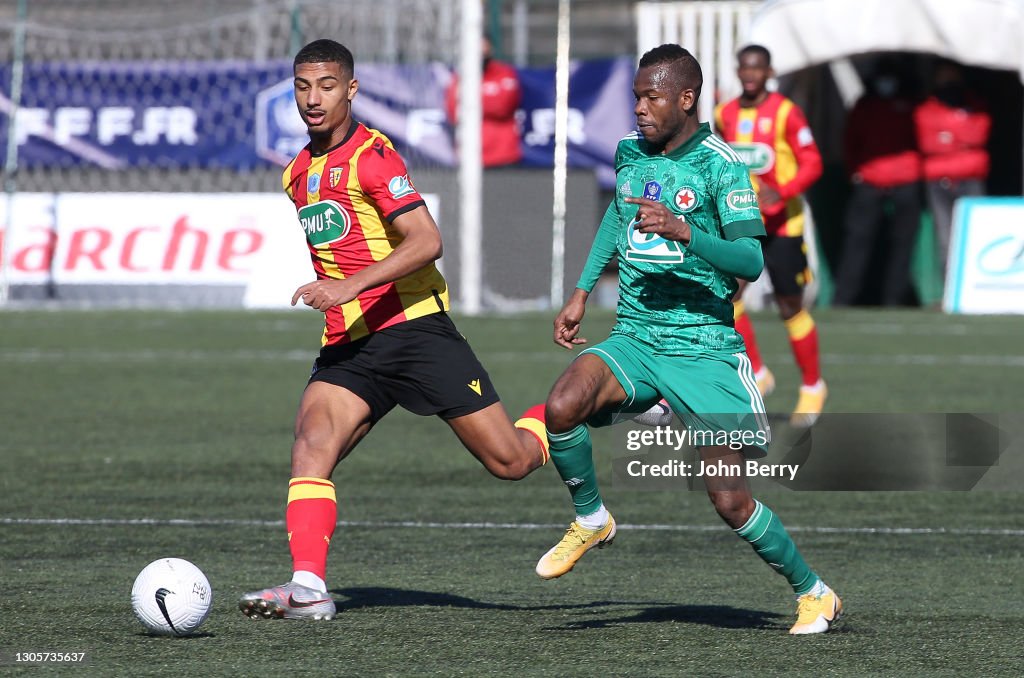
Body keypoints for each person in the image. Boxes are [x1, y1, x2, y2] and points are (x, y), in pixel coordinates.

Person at [535, 44, 842, 635]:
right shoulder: (631, 152)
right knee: (562, 403)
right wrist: (580, 290)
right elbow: (615, 218)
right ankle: (592, 517)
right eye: (636, 97)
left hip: (703, 347)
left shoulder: (721, 165)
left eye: (652, 97)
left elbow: (750, 260)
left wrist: (684, 230)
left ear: (686, 98)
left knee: (729, 499)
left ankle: (813, 592)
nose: (640, 108)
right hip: (636, 335)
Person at [238, 39, 549, 621]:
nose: (313, 98)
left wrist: (349, 286)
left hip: (414, 330)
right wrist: (342, 299)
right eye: (304, 86)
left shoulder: (373, 157)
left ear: (351, 90)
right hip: (351, 345)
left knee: (512, 461)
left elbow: (427, 241)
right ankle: (308, 588)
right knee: (311, 448)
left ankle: (570, 408)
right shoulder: (297, 172)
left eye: (327, 85)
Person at [714, 44, 826, 427]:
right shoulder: (724, 114)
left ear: (769, 71)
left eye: (757, 68)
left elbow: (813, 162)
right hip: (743, 222)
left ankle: (813, 385)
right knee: (730, 296)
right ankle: (758, 373)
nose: (749, 75)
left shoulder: (786, 113)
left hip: (783, 226)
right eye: (744, 68)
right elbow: (717, 158)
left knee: (789, 306)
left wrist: (786, 189)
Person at [833, 59, 922, 306]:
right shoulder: (864, 106)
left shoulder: (910, 105)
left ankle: (894, 299)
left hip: (905, 180)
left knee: (902, 245)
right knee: (857, 242)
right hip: (870, 181)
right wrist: (856, 172)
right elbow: (850, 141)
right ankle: (843, 299)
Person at [914, 59, 990, 283]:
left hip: (971, 176)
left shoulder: (974, 104)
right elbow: (928, 143)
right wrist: (959, 137)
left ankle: (977, 283)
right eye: (943, 75)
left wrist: (948, 135)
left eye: (952, 75)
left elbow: (978, 135)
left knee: (977, 232)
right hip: (939, 180)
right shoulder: (927, 108)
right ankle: (950, 288)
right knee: (946, 235)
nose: (948, 81)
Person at [445, 34, 523, 167]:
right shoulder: (460, 77)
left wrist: (469, 103)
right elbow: (453, 112)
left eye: (483, 49)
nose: (480, 54)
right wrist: (486, 99)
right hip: (469, 156)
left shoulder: (505, 73)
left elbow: (503, 107)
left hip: (503, 156)